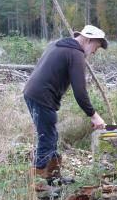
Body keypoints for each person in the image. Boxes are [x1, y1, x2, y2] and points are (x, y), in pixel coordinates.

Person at [23, 25, 108, 191]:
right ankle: (39, 185)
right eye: (96, 47)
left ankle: (53, 178)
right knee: (46, 138)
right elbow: (80, 92)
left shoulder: (57, 45)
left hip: (32, 93)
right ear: (89, 40)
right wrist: (94, 115)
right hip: (42, 96)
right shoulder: (76, 54)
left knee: (50, 135)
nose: (94, 53)